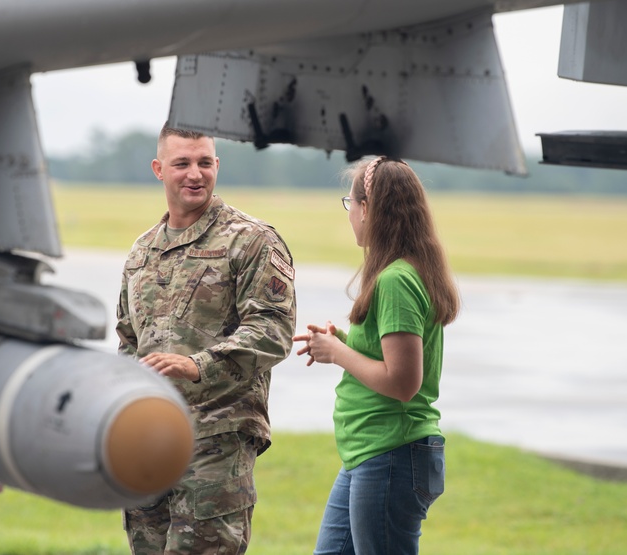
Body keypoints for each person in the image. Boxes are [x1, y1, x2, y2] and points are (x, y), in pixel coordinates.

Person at [116, 123, 296, 555]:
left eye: (203, 163)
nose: (194, 174)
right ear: (160, 169)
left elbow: (273, 329)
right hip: (147, 442)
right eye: (182, 164)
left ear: (217, 165)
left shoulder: (251, 240)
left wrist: (199, 365)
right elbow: (127, 341)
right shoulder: (142, 252)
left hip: (216, 441)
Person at [293, 156, 459, 555]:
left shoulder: (396, 280)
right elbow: (389, 355)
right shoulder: (404, 272)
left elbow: (402, 382)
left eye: (351, 205)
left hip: (391, 454)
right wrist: (345, 342)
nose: (350, 216)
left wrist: (337, 353)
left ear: (369, 209)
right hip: (370, 453)